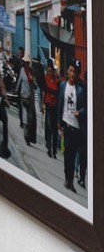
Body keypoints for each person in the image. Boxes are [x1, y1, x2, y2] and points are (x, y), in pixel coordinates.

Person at [59, 62, 85, 193]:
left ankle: (70, 180)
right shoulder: (63, 85)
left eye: (75, 71)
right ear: (67, 72)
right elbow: (60, 103)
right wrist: (59, 122)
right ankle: (68, 178)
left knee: (73, 154)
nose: (72, 74)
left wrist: (80, 112)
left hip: (76, 126)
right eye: (71, 71)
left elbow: (85, 106)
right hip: (66, 123)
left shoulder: (80, 90)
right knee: (67, 152)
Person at [15, 57, 37, 146]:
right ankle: (26, 135)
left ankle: (29, 135)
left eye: (27, 63)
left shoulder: (31, 72)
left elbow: (35, 85)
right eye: (25, 63)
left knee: (30, 117)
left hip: (30, 97)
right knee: (25, 116)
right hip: (24, 96)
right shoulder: (22, 71)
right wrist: (17, 90)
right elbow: (20, 81)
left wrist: (33, 82)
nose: (26, 64)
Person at [73, 59, 88, 189]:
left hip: (81, 122)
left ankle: (78, 172)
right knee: (83, 152)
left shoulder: (83, 88)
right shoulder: (83, 87)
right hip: (84, 124)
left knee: (80, 149)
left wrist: (80, 112)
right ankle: (81, 176)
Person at [42, 59, 60, 158]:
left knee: (54, 128)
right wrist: (42, 104)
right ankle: (49, 147)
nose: (50, 72)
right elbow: (44, 92)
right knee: (49, 126)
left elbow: (59, 93)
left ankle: (54, 150)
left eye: (51, 70)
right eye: (48, 70)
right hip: (48, 104)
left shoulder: (57, 80)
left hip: (55, 106)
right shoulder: (45, 78)